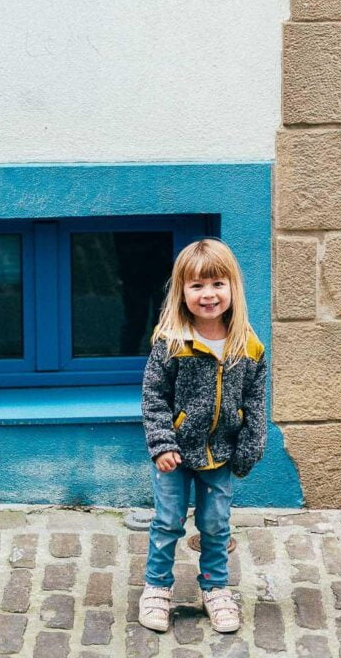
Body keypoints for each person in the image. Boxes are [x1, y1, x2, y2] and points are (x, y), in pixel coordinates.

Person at [139, 238, 267, 634]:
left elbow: (256, 400)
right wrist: (162, 444)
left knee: (215, 524)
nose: (208, 295)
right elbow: (153, 397)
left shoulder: (247, 346)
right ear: (182, 291)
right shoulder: (171, 344)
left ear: (232, 288)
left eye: (217, 284)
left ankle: (215, 588)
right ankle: (157, 587)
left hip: (221, 456)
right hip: (174, 456)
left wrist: (248, 448)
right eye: (197, 286)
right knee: (167, 522)